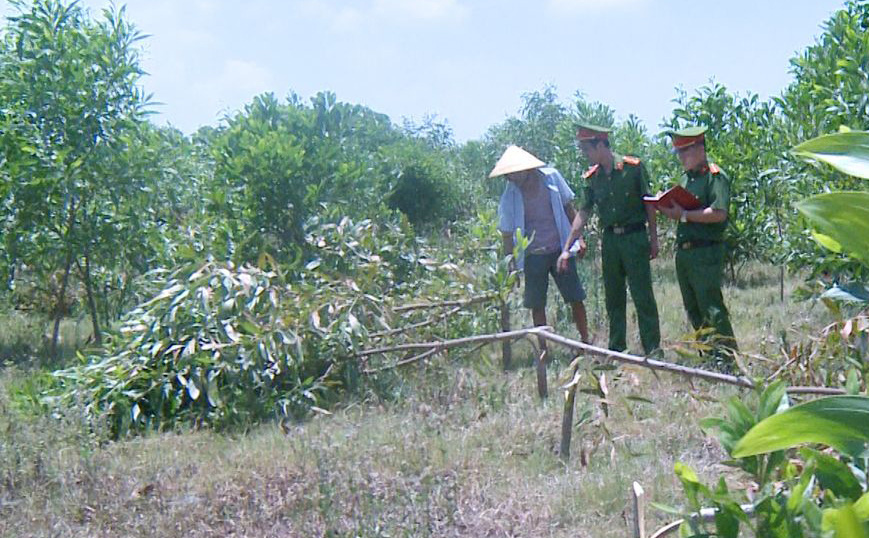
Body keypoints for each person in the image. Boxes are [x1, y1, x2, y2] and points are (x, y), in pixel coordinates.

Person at [557, 123, 661, 356]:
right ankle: (617, 348)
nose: (586, 155)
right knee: (613, 296)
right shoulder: (593, 178)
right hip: (611, 242)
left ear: (601, 145)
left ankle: (653, 349)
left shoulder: (633, 169)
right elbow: (583, 212)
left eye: (587, 149)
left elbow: (649, 204)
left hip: (635, 238)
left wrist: (653, 239)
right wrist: (566, 248)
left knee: (642, 294)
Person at [491, 145, 590, 344]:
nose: (511, 178)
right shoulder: (509, 196)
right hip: (533, 254)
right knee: (537, 303)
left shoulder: (551, 178)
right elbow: (508, 235)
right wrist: (510, 267)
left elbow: (569, 209)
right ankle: (543, 347)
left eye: (514, 173)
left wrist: (579, 239)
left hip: (560, 247)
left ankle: (585, 340)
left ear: (526, 169)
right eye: (508, 175)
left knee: (575, 297)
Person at [657, 126, 737, 360]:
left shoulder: (715, 177)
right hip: (685, 253)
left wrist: (683, 215)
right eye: (678, 153)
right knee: (693, 308)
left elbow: (719, 212)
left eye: (685, 152)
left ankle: (728, 359)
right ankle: (709, 357)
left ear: (699, 149)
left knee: (712, 307)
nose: (681, 157)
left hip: (705, 252)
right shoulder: (686, 179)